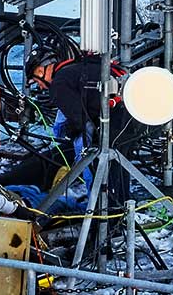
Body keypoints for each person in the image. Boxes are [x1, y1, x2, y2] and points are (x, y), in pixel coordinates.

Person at [25, 49, 132, 204]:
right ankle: (121, 211)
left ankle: (103, 215)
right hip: (127, 117)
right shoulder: (76, 67)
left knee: (101, 173)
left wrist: (75, 133)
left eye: (37, 81)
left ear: (40, 71)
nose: (41, 87)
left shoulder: (59, 83)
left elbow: (80, 120)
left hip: (113, 123)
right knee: (119, 171)